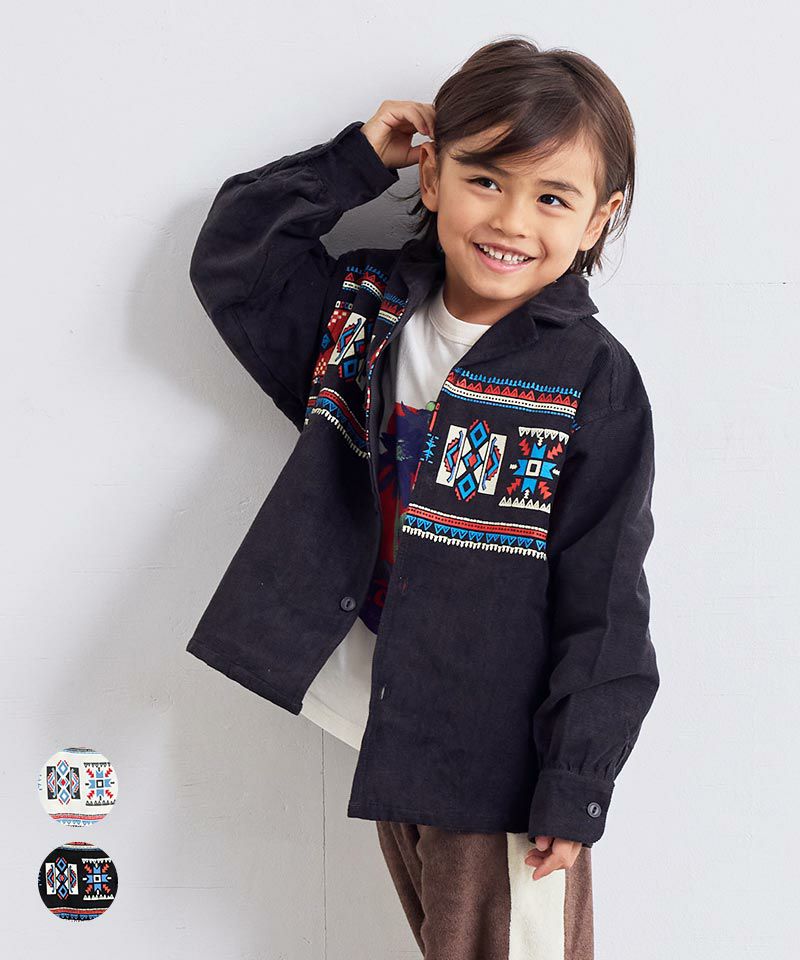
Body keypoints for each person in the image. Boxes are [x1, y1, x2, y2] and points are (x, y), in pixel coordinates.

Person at [185, 36, 659, 959]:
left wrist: (575, 777)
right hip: (393, 720)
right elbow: (236, 259)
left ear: (597, 220)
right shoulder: (363, 317)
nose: (511, 220)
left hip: (500, 749)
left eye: (552, 197)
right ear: (434, 176)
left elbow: (607, 597)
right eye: (485, 180)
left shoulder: (590, 380)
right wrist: (355, 161)